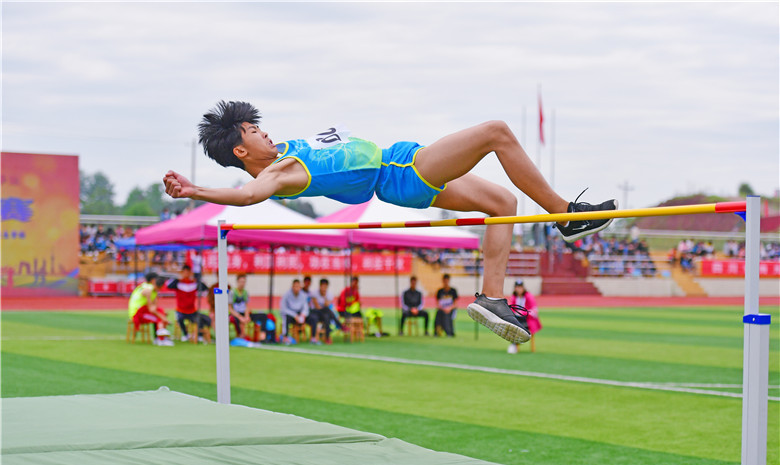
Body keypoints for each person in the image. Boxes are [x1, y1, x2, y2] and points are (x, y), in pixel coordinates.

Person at [164, 100, 617, 343]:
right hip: (399, 172)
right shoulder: (277, 173)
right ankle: (566, 217)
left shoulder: (283, 154)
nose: (263, 130)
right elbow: (246, 196)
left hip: (400, 163)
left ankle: (492, 297)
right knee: (496, 131)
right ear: (241, 151)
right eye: (252, 131)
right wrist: (194, 190)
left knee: (502, 201)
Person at [166, 263, 211, 343]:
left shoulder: (194, 283)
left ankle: (199, 335)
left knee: (199, 319)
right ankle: (186, 334)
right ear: (182, 272)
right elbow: (168, 286)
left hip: (192, 310)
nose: (186, 274)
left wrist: (198, 279)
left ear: (190, 272)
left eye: (188, 272)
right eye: (184, 272)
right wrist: (178, 278)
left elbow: (205, 288)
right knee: (180, 319)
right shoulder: (178, 283)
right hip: (181, 310)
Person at [128, 272, 173, 346]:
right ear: (153, 280)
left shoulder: (150, 288)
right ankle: (161, 339)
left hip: (143, 311)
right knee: (160, 317)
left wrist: (162, 315)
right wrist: (163, 318)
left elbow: (154, 308)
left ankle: (159, 337)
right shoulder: (148, 289)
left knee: (160, 312)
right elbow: (151, 309)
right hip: (137, 313)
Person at [506, 280, 542, 354]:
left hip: (528, 320)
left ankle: (517, 342)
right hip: (517, 319)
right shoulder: (514, 297)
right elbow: (511, 308)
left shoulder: (529, 296)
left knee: (517, 325)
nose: (519, 289)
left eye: (520, 287)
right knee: (510, 323)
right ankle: (515, 343)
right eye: (517, 287)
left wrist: (522, 313)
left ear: (523, 288)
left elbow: (534, 311)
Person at [309, 278, 342, 344]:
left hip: (323, 313)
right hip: (314, 312)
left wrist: (324, 296)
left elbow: (326, 305)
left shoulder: (329, 294)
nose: (324, 288)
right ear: (320, 286)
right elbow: (317, 307)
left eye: (325, 287)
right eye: (323, 286)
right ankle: (338, 324)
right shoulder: (314, 293)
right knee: (327, 311)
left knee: (327, 316)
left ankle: (327, 337)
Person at [280, 278, 309, 343]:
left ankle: (312, 337)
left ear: (300, 287)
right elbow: (283, 309)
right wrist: (294, 315)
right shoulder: (286, 295)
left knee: (312, 317)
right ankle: (285, 336)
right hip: (289, 314)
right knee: (286, 318)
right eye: (295, 286)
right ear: (292, 287)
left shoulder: (303, 295)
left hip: (299, 314)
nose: (296, 288)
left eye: (298, 286)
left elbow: (305, 308)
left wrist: (303, 315)